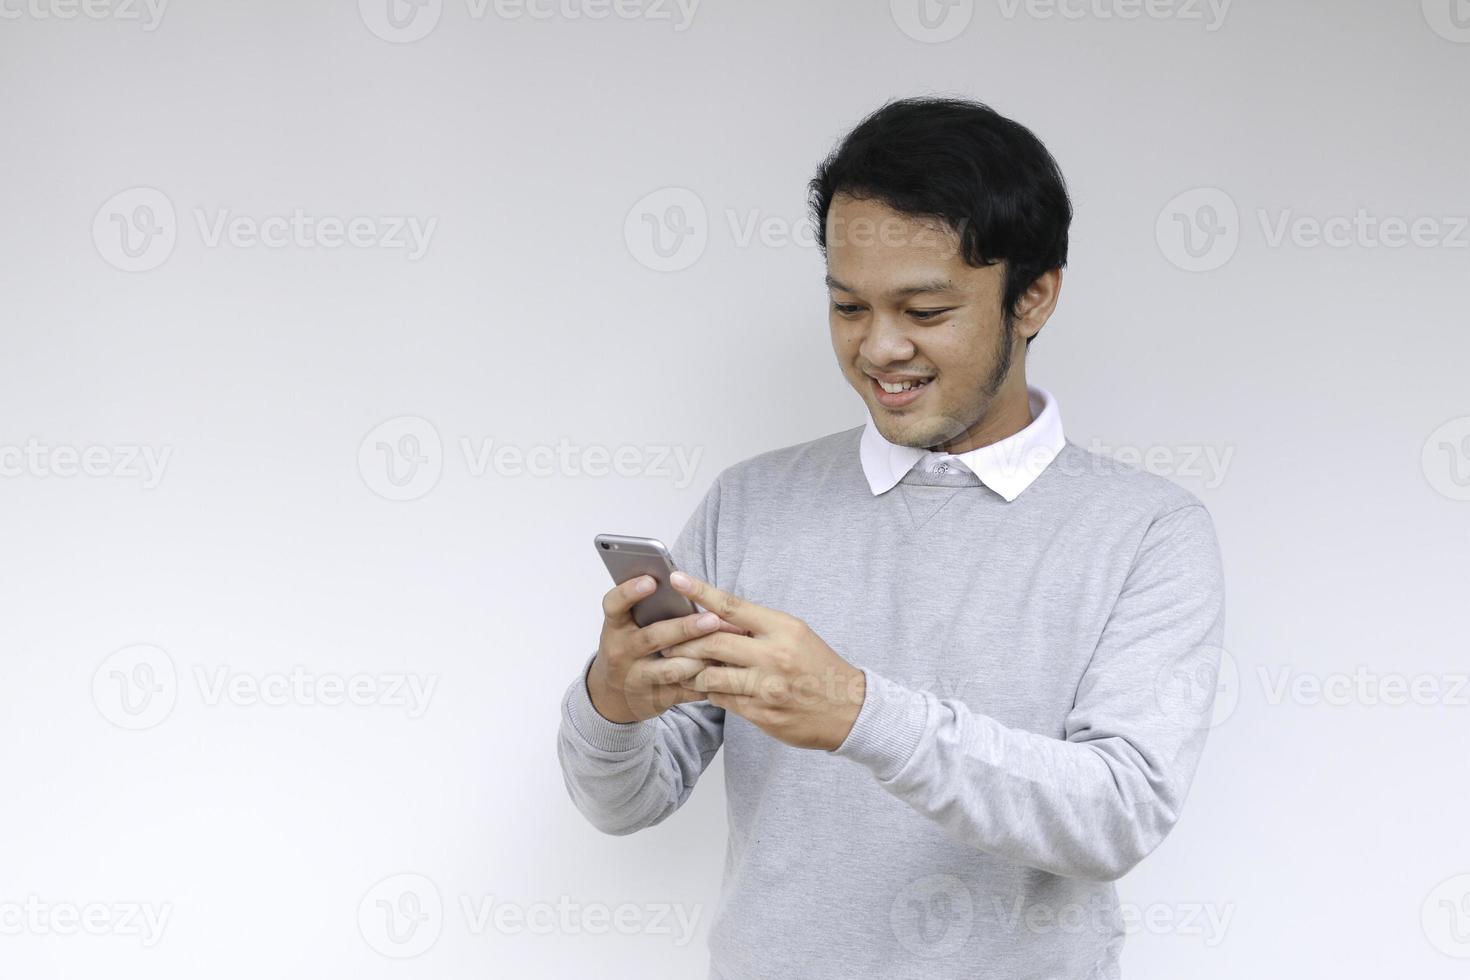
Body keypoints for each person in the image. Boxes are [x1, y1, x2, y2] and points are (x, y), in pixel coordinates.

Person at [556, 95, 1226, 980]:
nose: (878, 349)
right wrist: (611, 703)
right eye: (847, 306)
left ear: (1034, 296)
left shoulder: (1145, 532)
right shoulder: (752, 502)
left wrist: (861, 713)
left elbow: (1117, 814)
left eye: (924, 310)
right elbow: (627, 802)